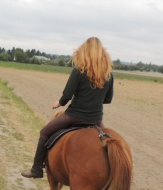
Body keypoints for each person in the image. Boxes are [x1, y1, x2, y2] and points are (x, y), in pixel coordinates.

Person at [21, 37, 114, 178]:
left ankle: (36, 169)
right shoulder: (108, 75)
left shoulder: (79, 71)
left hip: (74, 116)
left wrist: (59, 103)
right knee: (109, 142)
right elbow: (107, 99)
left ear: (84, 52)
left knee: (44, 133)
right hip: (96, 120)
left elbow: (67, 95)